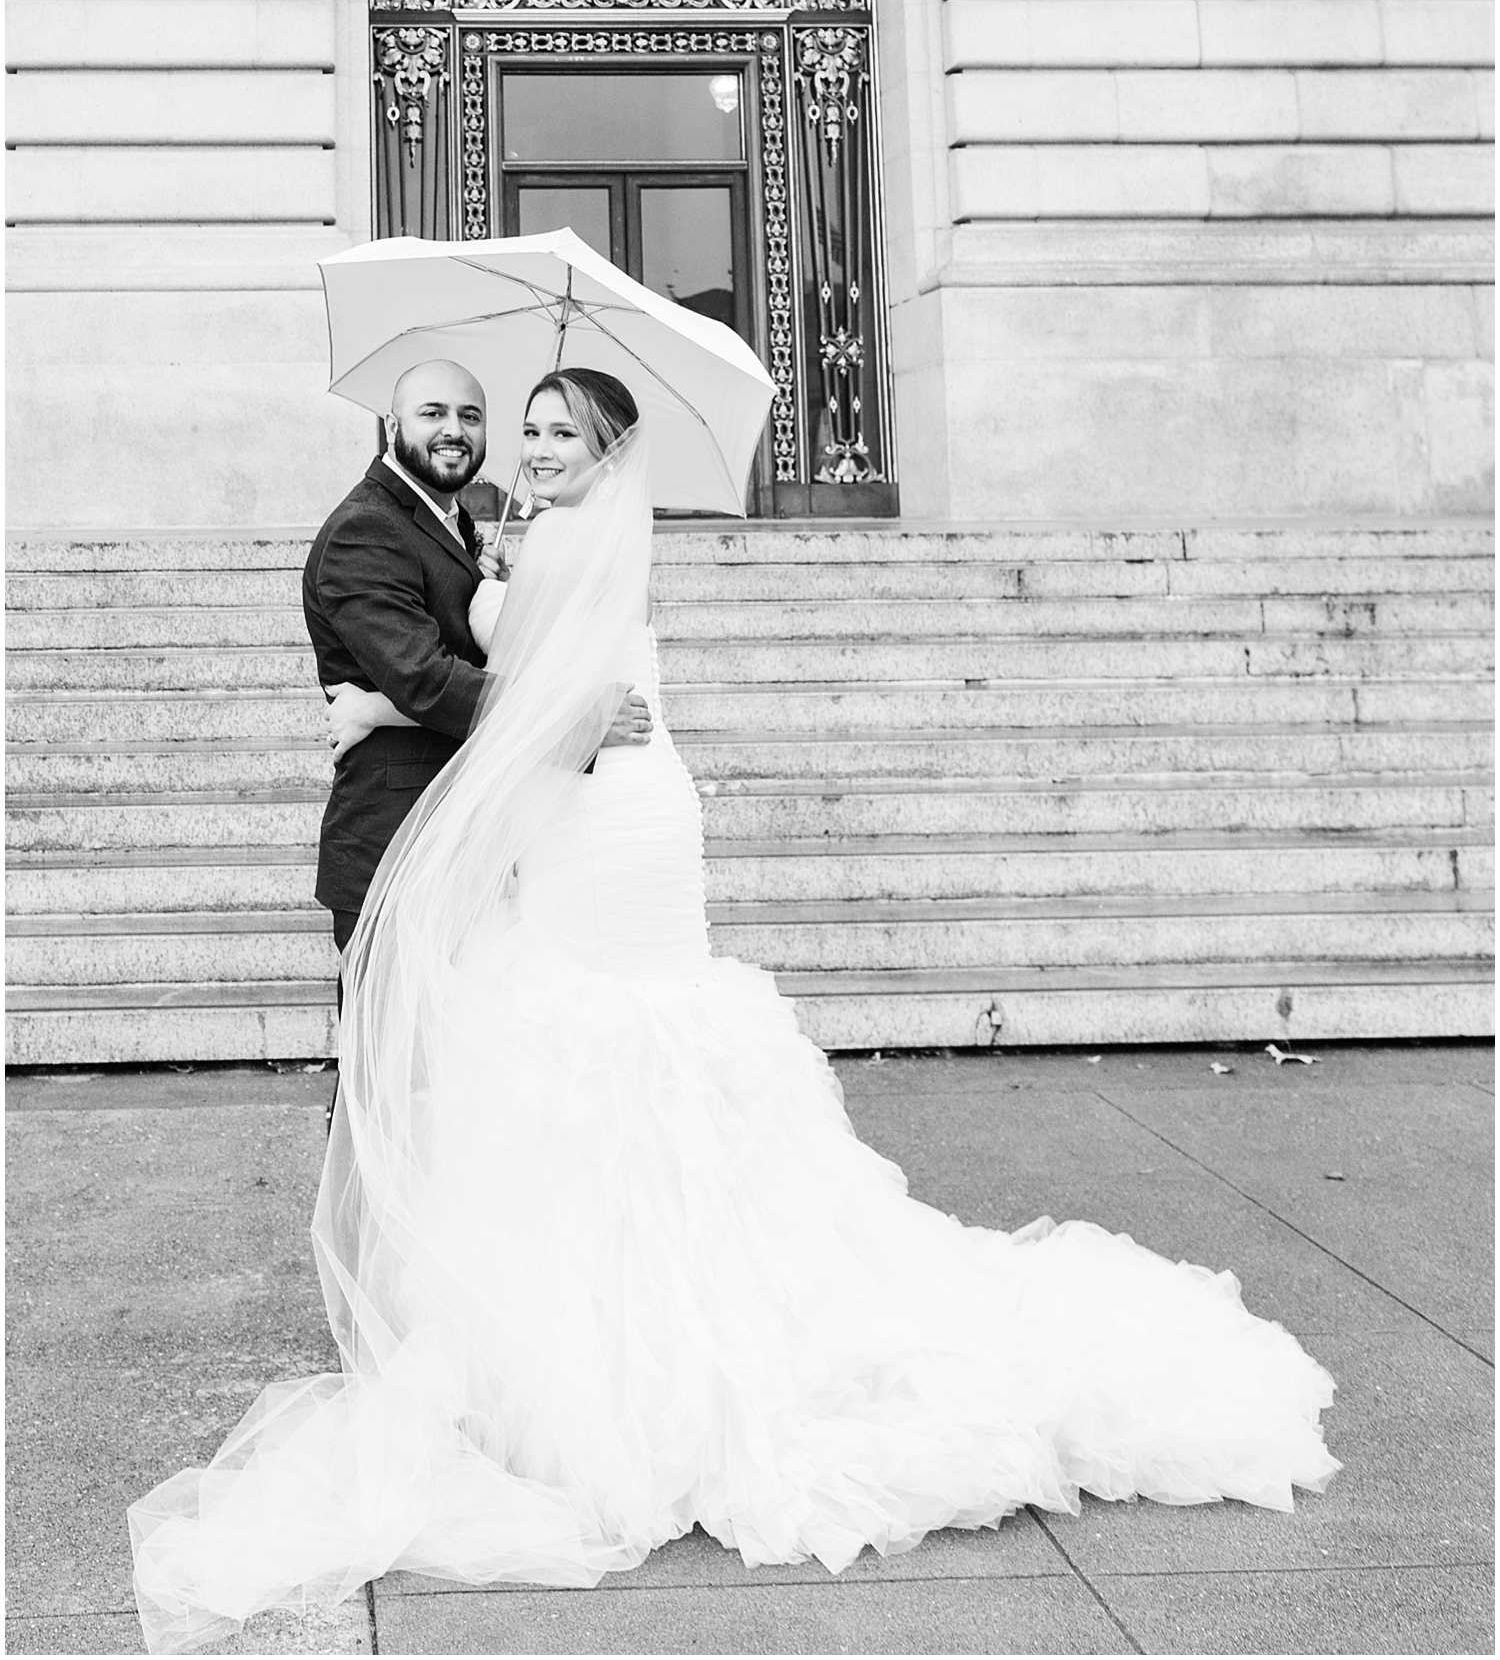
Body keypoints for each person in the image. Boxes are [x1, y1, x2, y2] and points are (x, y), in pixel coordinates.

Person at [130, 367, 1339, 1656]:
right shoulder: (451, 531)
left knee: (584, 1047)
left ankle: (602, 1351)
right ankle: (557, 1314)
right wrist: (435, 658)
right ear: (399, 423)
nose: (515, 444)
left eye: (549, 430)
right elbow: (487, 666)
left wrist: (381, 699)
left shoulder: (543, 540)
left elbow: (513, 695)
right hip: (600, 805)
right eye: (504, 423)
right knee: (580, 1060)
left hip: (605, 809)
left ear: (608, 453)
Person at [302, 355, 651, 995]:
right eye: (432, 413)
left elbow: (478, 662)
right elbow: (428, 681)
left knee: (451, 1074)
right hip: (398, 834)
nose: (453, 430)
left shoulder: (459, 525)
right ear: (391, 423)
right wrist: (580, 719)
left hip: (472, 829)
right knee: (396, 1080)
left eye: (471, 415)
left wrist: (375, 707)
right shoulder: (366, 530)